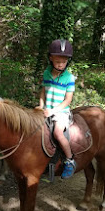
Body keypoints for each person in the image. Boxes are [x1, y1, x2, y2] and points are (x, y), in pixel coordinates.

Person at [37, 39, 76, 178]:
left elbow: (68, 100)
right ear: (51, 58)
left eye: (64, 62)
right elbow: (43, 91)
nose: (60, 64)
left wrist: (53, 111)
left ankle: (70, 160)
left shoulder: (69, 78)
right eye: (58, 61)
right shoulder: (46, 73)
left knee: (58, 133)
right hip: (46, 109)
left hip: (61, 112)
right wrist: (41, 105)